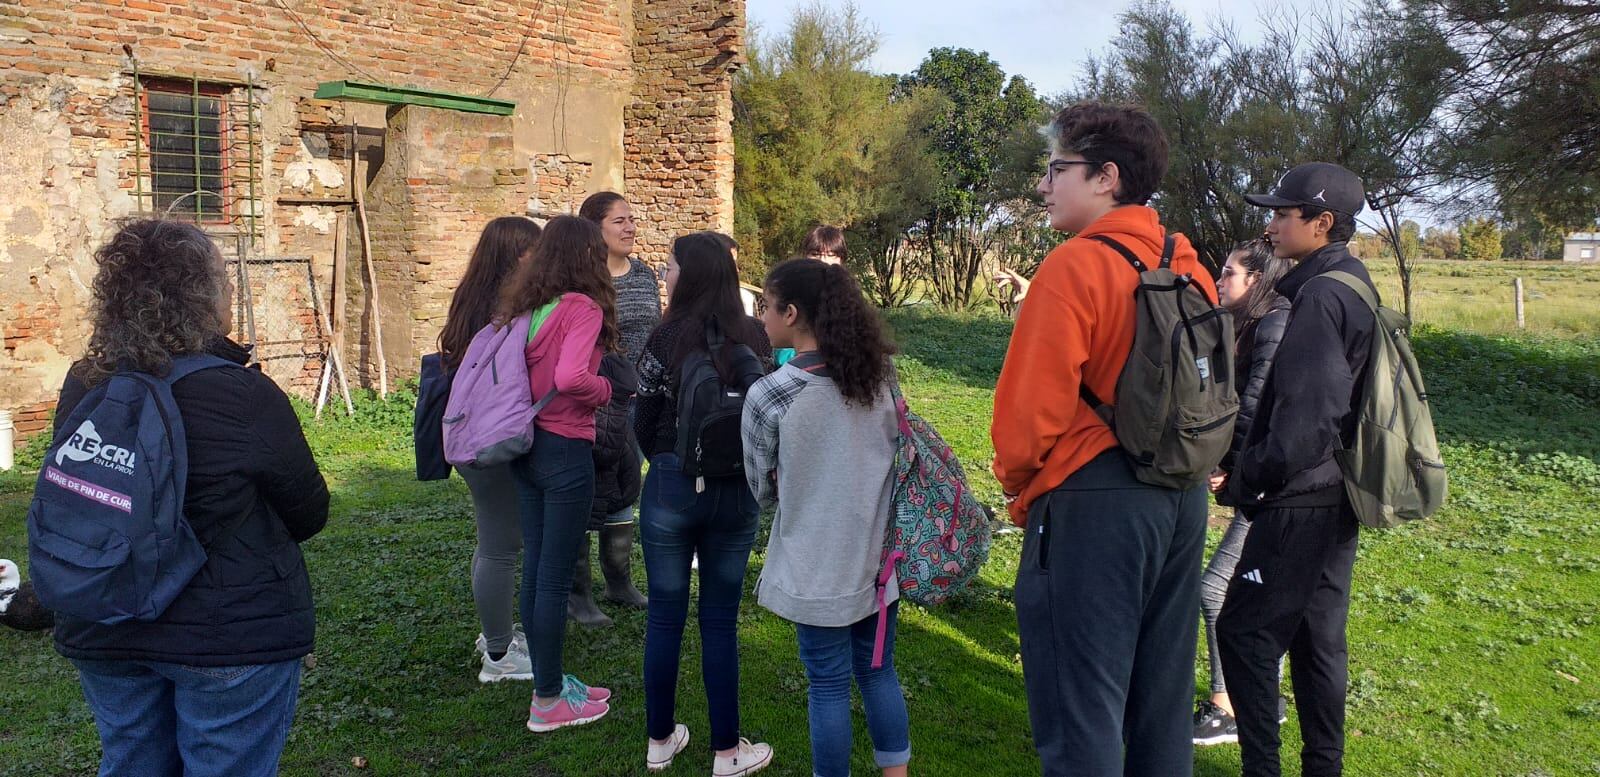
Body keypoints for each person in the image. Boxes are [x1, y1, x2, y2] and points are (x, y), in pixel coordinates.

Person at [51, 219, 329, 776]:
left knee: (131, 763)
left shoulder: (86, 383)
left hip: (107, 617)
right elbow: (308, 511)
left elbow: (77, 496)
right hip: (227, 633)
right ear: (206, 296)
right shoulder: (243, 393)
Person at [990, 102, 1217, 777]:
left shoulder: (1073, 268)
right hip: (1179, 498)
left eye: (1058, 169)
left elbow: (1029, 417)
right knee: (1160, 706)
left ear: (1106, 178)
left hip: (1094, 502)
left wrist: (1017, 484)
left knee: (1081, 710)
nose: (1043, 185)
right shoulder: (1189, 265)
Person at [1219, 163, 1377, 777]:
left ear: (1323, 223)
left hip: (1301, 497)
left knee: (1244, 633)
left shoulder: (1321, 295)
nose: (1271, 224)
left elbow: (1309, 417)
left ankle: (1262, 769)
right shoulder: (1353, 281)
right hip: (1338, 492)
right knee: (1317, 640)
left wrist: (1246, 478)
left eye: (1284, 214)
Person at [743, 258, 909, 777]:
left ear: (791, 313)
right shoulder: (880, 377)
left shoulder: (771, 393)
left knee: (829, 684)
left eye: (766, 308)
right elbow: (901, 451)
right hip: (879, 563)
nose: (762, 319)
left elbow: (760, 486)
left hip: (814, 566)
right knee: (879, 672)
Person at [633, 232, 773, 775]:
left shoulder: (664, 339)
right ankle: (726, 750)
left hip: (671, 488)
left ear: (687, 276)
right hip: (737, 492)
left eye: (669, 268)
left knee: (665, 618)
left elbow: (642, 416)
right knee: (719, 621)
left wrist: (666, 462)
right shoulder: (757, 337)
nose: (665, 275)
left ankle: (660, 739)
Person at [497, 215, 621, 732]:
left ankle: (549, 680)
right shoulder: (583, 308)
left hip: (526, 446)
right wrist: (606, 391)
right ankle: (547, 701)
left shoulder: (531, 306)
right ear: (587, 255)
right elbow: (572, 377)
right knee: (554, 576)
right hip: (566, 449)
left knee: (537, 573)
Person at [1192, 239, 1294, 745]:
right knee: (1255, 596)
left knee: (1216, 589)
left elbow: (1253, 405)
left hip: (1273, 484)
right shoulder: (1244, 321)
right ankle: (1260, 698)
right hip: (1262, 479)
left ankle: (1228, 708)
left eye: (1229, 273)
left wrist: (1229, 466)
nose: (1219, 280)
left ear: (1256, 279)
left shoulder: (1273, 325)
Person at [438, 216, 543, 681]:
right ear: (517, 256)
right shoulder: (509, 310)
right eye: (533, 251)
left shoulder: (471, 302)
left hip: (471, 435)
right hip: (491, 440)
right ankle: (499, 656)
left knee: (495, 540)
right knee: (501, 546)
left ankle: (495, 633)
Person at [577, 192, 656, 618]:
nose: (629, 227)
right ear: (595, 229)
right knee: (587, 491)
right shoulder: (581, 281)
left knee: (626, 485)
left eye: (631, 219)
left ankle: (619, 583)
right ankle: (579, 593)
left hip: (639, 400)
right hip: (594, 401)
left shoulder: (643, 275)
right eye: (619, 221)